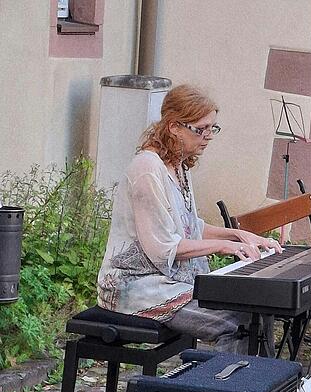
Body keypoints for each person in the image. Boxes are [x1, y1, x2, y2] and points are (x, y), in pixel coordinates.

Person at [97, 84, 283, 355]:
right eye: (201, 129)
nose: (208, 137)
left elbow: (190, 227)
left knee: (257, 309)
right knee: (234, 324)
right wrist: (224, 247)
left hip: (168, 282)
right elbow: (164, 248)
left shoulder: (179, 165)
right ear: (174, 127)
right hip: (137, 288)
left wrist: (239, 235)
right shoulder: (147, 169)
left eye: (212, 129)